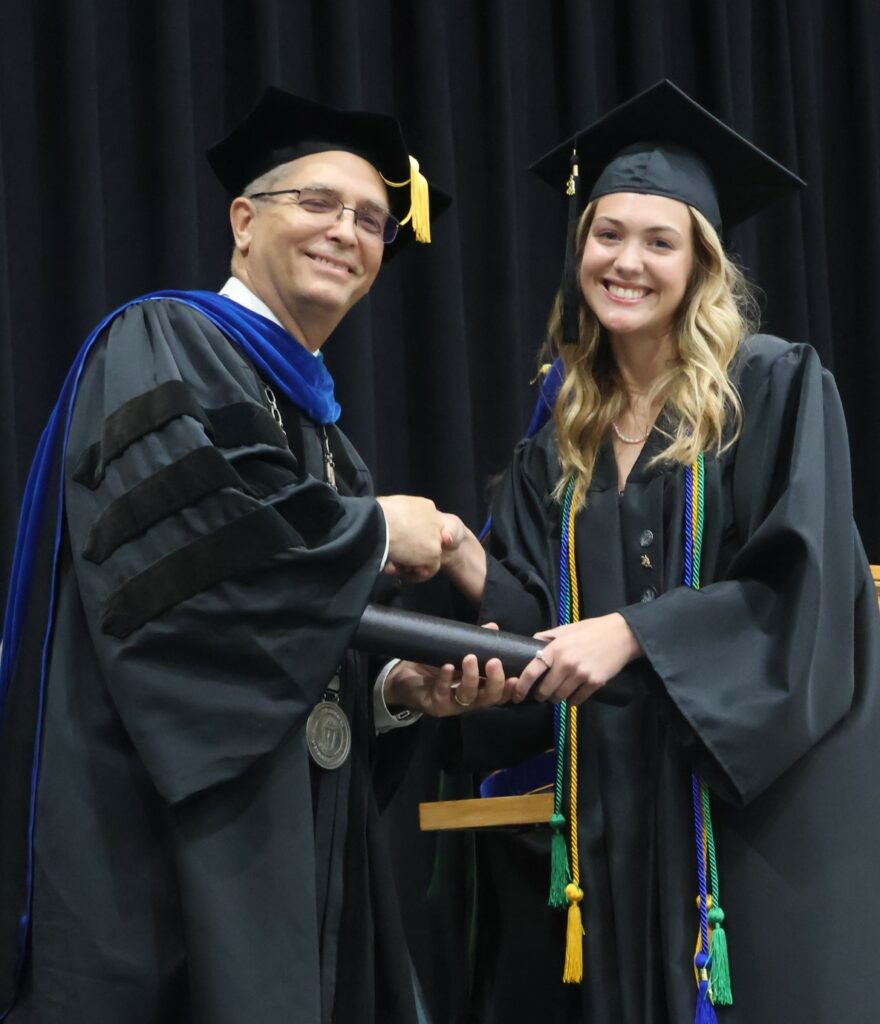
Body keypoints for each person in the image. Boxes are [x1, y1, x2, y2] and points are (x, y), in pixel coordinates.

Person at [0, 88, 507, 1024]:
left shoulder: (327, 438)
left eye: (371, 221)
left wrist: (395, 691)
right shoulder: (160, 343)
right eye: (317, 202)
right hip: (161, 844)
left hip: (293, 860)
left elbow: (291, 636)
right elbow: (194, 589)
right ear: (243, 220)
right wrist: (372, 533)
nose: (347, 232)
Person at [432, 81, 880, 1023]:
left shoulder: (777, 388)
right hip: (619, 815)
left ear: (702, 263)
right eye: (607, 235)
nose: (625, 261)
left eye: (658, 241)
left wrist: (635, 633)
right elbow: (541, 627)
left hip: (751, 819)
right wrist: (471, 565)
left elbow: (804, 589)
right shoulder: (562, 436)